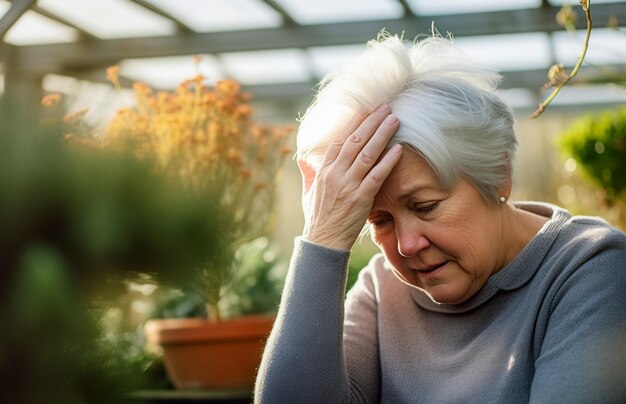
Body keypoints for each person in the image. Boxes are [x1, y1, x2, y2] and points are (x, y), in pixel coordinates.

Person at [254, 33, 626, 403]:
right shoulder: (382, 290)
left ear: (499, 175)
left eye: (425, 206)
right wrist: (322, 237)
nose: (406, 245)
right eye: (379, 220)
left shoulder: (591, 268)